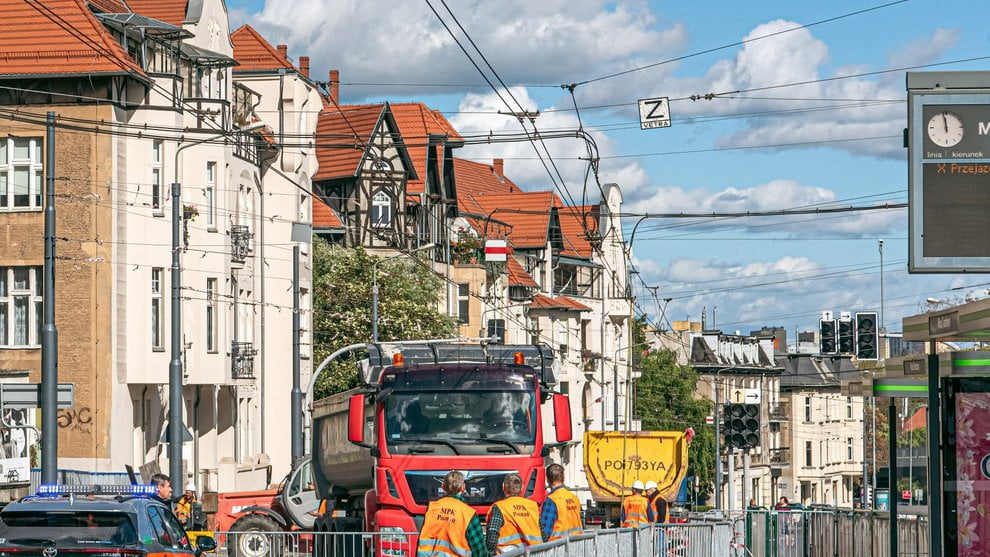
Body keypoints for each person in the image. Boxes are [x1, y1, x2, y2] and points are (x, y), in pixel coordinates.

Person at [416, 470, 487, 557]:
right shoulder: (468, 513)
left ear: (443, 486)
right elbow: (479, 549)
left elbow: (423, 539)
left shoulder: (432, 508)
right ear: (463, 488)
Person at [485, 474, 541, 554]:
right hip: (534, 553)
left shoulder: (500, 507)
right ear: (522, 488)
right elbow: (543, 534)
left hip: (507, 554)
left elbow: (493, 532)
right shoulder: (533, 506)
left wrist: (491, 552)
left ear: (503, 487)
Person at [539, 463, 583, 542]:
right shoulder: (574, 498)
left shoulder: (552, 500)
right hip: (576, 544)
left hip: (558, 546)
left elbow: (545, 532)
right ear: (563, 477)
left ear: (547, 479)